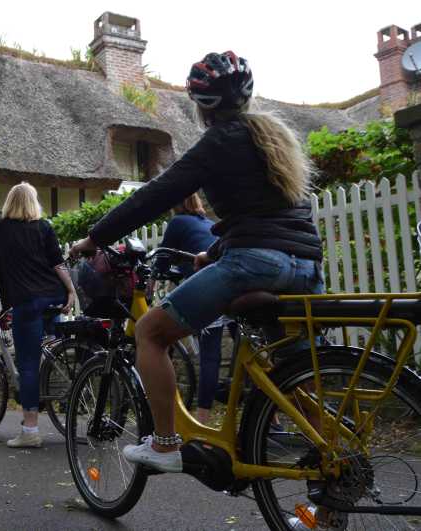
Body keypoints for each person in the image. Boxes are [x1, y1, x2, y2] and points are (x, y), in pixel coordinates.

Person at [70, 51, 324, 474]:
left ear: (201, 105)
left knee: (151, 333)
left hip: (255, 263)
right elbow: (267, 216)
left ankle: (166, 444)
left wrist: (93, 238)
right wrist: (217, 251)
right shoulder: (272, 137)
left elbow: (154, 195)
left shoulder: (219, 141)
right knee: (293, 373)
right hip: (305, 266)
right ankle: (334, 478)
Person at [0, 182, 77, 448]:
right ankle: (60, 381)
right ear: (34, 203)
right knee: (52, 347)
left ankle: (31, 430)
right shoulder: (44, 227)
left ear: (10, 203)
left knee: (27, 364)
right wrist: (70, 292)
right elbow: (58, 263)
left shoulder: (1, 229)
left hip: (26, 301)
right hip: (53, 296)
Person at [160, 194, 239, 425]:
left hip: (210, 286)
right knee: (246, 352)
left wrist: (156, 276)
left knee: (210, 356)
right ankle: (272, 417)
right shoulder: (209, 225)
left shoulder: (177, 223)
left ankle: (202, 419)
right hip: (233, 283)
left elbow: (162, 260)